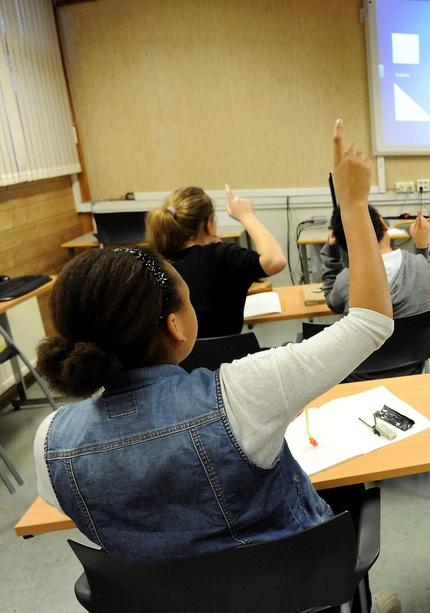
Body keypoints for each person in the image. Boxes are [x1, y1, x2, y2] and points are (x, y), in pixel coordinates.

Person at [33, 119, 393, 593]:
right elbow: (370, 322)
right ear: (176, 326)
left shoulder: (48, 442)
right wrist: (352, 202)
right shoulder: (243, 393)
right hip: (286, 592)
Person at [145, 184, 287, 338]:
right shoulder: (221, 255)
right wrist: (246, 215)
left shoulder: (156, 266)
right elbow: (275, 260)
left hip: (183, 360)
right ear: (209, 224)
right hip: (231, 358)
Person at [320, 206, 430, 318]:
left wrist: (331, 253)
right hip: (416, 335)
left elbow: (332, 302)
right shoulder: (420, 264)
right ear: (383, 223)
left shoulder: (347, 280)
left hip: (374, 336)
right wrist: (421, 244)